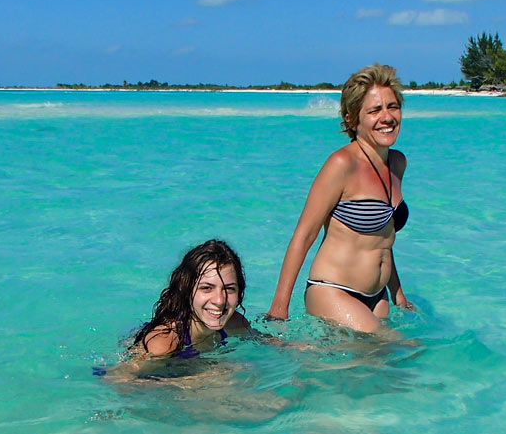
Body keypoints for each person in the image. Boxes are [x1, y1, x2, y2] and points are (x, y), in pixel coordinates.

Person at [266, 63, 415, 332]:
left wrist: (398, 293)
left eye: (392, 106)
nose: (387, 117)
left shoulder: (397, 163)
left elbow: (382, 238)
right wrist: (279, 308)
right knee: (404, 348)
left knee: (380, 361)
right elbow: (304, 235)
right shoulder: (342, 164)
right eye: (374, 110)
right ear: (351, 119)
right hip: (333, 291)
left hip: (377, 297)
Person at [129, 239, 253, 358]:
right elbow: (124, 373)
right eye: (206, 288)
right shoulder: (163, 344)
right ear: (186, 290)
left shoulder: (236, 324)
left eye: (229, 289)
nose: (219, 300)